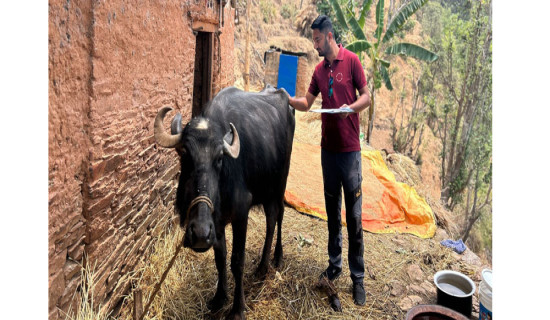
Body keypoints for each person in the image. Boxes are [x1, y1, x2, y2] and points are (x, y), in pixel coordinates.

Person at [287, 15, 371, 306]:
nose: (315, 45)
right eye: (314, 40)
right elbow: (306, 103)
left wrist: (352, 108)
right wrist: (286, 98)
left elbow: (367, 97)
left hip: (350, 153)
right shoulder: (319, 71)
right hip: (328, 152)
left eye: (318, 40)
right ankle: (334, 265)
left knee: (355, 217)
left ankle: (357, 278)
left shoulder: (352, 61)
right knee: (333, 214)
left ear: (330, 36)